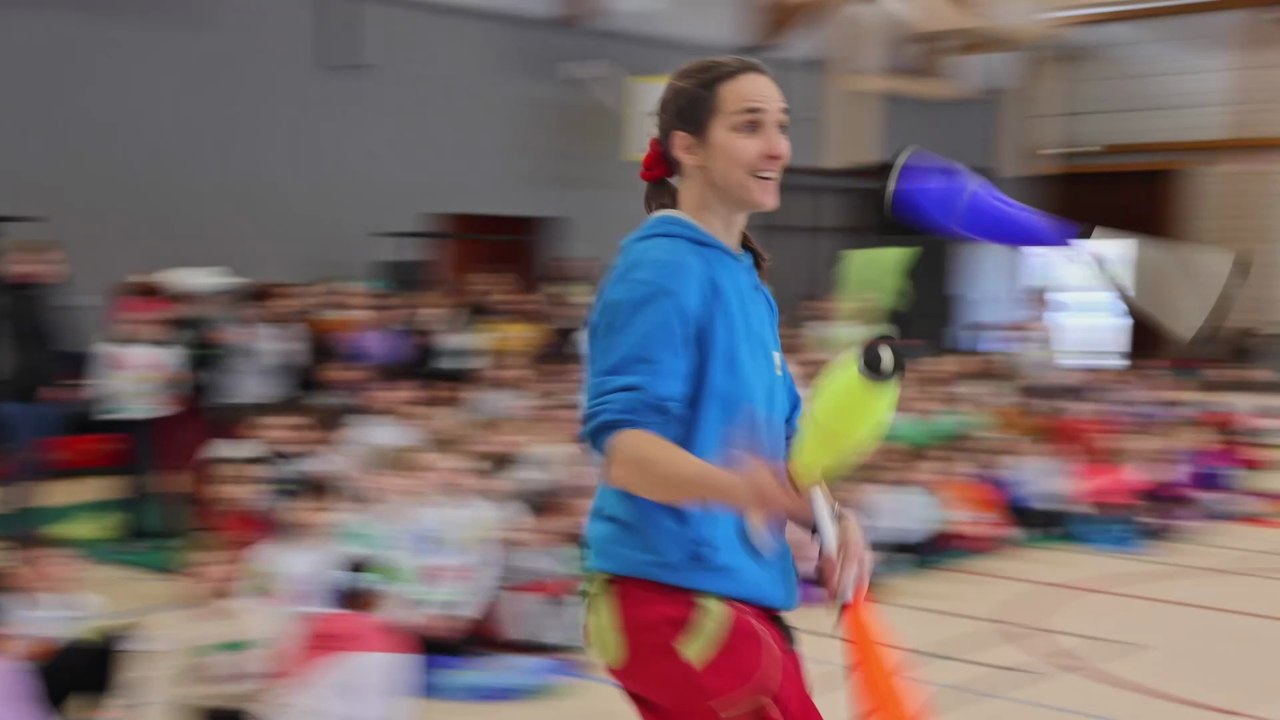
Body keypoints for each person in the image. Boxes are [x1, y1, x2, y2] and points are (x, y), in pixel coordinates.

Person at [579, 56, 871, 720]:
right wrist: (744, 490)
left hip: (730, 598)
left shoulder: (747, 284)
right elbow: (627, 453)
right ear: (689, 147)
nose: (776, 146)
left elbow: (791, 447)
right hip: (667, 599)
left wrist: (834, 519)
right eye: (749, 126)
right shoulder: (659, 269)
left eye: (781, 126)